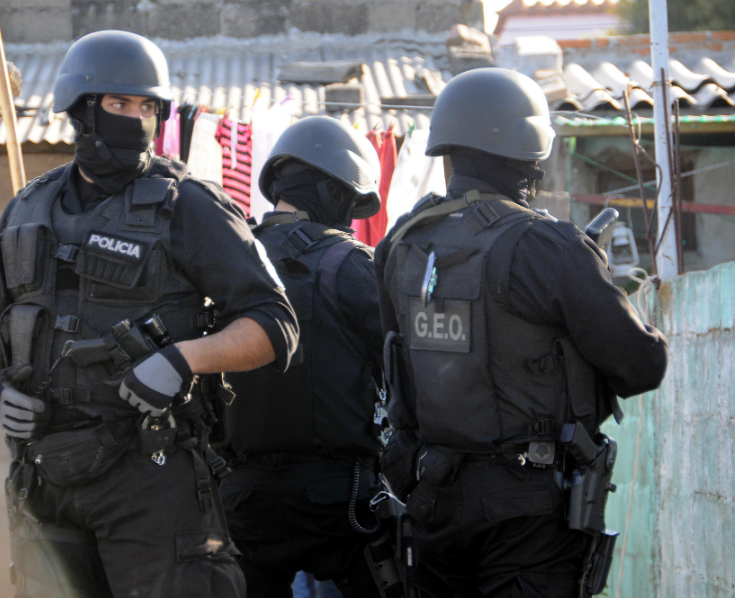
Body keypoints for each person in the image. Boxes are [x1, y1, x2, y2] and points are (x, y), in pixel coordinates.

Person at [0, 30, 298, 598]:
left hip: (149, 477)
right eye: (120, 104)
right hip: (44, 480)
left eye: (148, 107)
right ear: (82, 111)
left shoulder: (187, 204)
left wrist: (182, 360)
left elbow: (275, 325)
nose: (136, 119)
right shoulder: (26, 208)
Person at [374, 68, 669, 598]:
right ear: (529, 151)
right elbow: (641, 365)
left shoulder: (401, 243)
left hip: (433, 497)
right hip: (526, 510)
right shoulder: (546, 245)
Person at [216, 117, 392, 598]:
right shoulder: (352, 263)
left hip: (242, 495)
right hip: (340, 497)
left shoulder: (229, 258)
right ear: (335, 194)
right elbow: (406, 371)